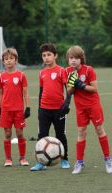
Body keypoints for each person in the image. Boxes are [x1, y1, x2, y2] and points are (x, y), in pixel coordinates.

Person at [66, 45, 112, 175]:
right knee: (81, 132)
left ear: (81, 59)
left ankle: (107, 159)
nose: (73, 60)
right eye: (71, 58)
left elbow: (94, 89)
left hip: (93, 105)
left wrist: (80, 84)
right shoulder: (68, 71)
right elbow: (69, 91)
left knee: (99, 129)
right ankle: (79, 162)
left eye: (76, 58)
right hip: (80, 108)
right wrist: (73, 84)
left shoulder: (89, 70)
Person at [30, 43, 71, 171]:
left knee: (60, 134)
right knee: (42, 135)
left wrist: (66, 104)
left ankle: (65, 159)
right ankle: (41, 162)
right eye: (43, 55)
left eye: (49, 55)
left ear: (55, 56)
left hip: (59, 109)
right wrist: (39, 109)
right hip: (44, 109)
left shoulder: (61, 70)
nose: (46, 57)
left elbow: (69, 89)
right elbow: (41, 92)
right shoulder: (42, 72)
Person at [0, 48, 30, 167]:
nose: (9, 61)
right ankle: (8, 159)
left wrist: (28, 107)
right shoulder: (1, 76)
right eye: (6, 59)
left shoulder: (21, 75)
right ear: (3, 61)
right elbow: (0, 93)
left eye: (11, 58)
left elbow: (25, 93)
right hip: (6, 110)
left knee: (20, 133)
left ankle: (22, 158)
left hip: (18, 110)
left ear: (16, 60)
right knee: (8, 134)